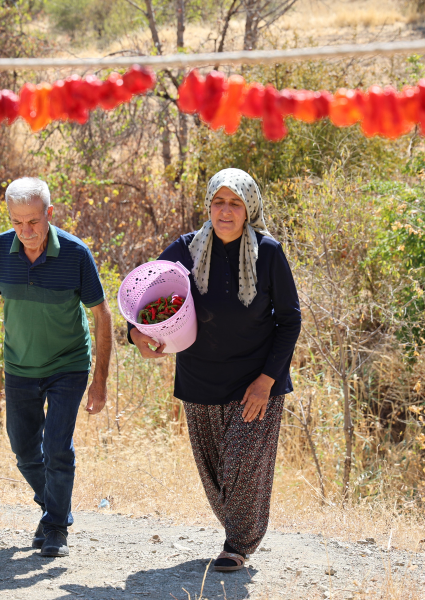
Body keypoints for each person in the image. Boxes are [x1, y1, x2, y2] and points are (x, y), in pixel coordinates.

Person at [128, 168, 301, 571]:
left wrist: (266, 381)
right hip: (199, 379)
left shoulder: (268, 252)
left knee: (241, 464)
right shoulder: (184, 250)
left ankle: (237, 545)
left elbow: (289, 320)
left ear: (249, 208)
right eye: (218, 202)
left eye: (235, 203)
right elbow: (147, 299)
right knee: (214, 472)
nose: (226, 211)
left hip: (256, 383)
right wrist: (135, 334)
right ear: (208, 205)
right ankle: (238, 529)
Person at [0, 177, 112, 558]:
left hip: (68, 365)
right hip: (19, 366)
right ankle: (57, 509)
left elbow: (101, 316)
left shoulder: (74, 253)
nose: (26, 231)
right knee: (24, 451)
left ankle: (54, 528)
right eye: (17, 223)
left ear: (49, 214)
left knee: (56, 447)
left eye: (33, 222)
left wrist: (99, 380)